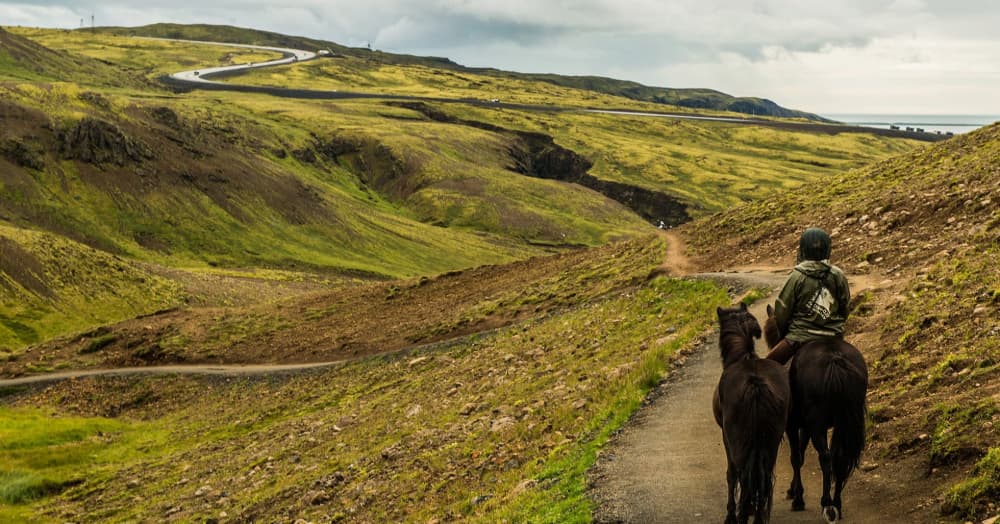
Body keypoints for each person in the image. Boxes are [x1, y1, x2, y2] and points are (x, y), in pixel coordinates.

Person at [766, 227, 851, 364]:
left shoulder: (797, 276)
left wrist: (785, 333)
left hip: (799, 336)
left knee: (765, 367)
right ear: (827, 249)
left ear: (803, 250)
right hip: (833, 335)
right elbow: (845, 307)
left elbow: (782, 311)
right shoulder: (838, 275)